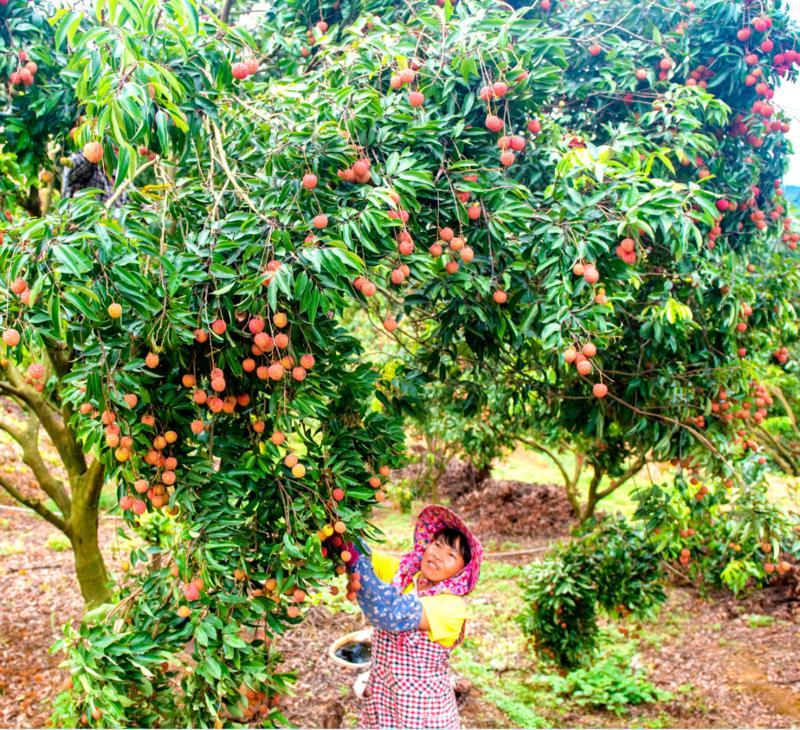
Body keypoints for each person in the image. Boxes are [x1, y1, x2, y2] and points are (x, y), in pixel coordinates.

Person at [344, 504, 483, 729]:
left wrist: (357, 569)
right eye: (437, 545)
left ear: (462, 571)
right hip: (383, 700)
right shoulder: (405, 574)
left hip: (423, 712)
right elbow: (364, 555)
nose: (438, 555)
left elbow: (388, 610)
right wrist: (338, 532)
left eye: (450, 555)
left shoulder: (452, 608)